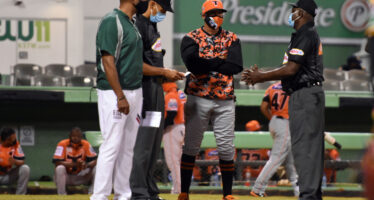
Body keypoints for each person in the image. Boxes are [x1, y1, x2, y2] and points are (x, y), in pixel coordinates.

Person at [242, 0, 325, 199]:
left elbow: (291, 69)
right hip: (305, 95)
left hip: (305, 95)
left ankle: (308, 195)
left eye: (294, 9)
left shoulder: (306, 33)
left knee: (304, 149)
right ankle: (311, 195)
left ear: (302, 13)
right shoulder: (306, 34)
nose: (292, 12)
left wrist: (260, 76)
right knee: (307, 149)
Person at [178, 0, 243, 199]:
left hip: (225, 99)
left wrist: (207, 63)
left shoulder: (232, 37)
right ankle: (184, 192)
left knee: (225, 147)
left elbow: (236, 66)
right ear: (204, 16)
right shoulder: (190, 37)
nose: (218, 17)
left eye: (221, 14)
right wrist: (219, 62)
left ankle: (227, 194)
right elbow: (193, 64)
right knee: (191, 145)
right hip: (198, 98)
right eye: (214, 13)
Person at [91, 0, 145, 199]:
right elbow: (107, 61)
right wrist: (120, 96)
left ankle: (124, 194)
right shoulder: (111, 21)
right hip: (114, 93)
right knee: (111, 145)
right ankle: (100, 196)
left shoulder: (131, 23)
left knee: (127, 148)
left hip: (135, 91)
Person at [130, 1, 184, 200]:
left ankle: (150, 191)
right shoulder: (138, 26)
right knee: (143, 144)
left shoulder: (152, 25)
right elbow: (136, 64)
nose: (163, 14)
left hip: (155, 88)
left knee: (152, 145)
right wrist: (164, 72)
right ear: (152, 4)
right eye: (162, 10)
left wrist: (167, 75)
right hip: (144, 90)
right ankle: (138, 192)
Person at [250, 82, 299, 197]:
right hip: (285, 122)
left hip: (275, 121)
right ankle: (257, 189)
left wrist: (273, 119)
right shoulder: (295, 86)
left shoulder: (272, 86)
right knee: (276, 158)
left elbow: (263, 107)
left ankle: (299, 191)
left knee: (290, 161)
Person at [52, 127, 97, 195]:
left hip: (81, 175)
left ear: (81, 137)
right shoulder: (62, 144)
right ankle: (61, 195)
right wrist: (75, 164)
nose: (76, 138)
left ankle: (92, 193)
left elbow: (95, 160)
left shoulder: (86, 144)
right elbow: (57, 162)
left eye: (78, 136)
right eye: (73, 136)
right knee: (60, 168)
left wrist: (86, 165)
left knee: (97, 167)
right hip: (67, 177)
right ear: (69, 136)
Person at [162, 81, 186, 194]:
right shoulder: (181, 93)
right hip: (182, 127)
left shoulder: (171, 94)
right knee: (179, 162)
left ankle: (178, 190)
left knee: (173, 162)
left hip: (173, 128)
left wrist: (161, 128)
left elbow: (171, 114)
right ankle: (181, 188)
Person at [0, 127, 30, 195]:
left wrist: (15, 162)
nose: (12, 141)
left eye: (13, 139)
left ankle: (20, 196)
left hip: (7, 176)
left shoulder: (15, 144)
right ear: (4, 139)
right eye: (10, 140)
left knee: (25, 168)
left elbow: (22, 161)